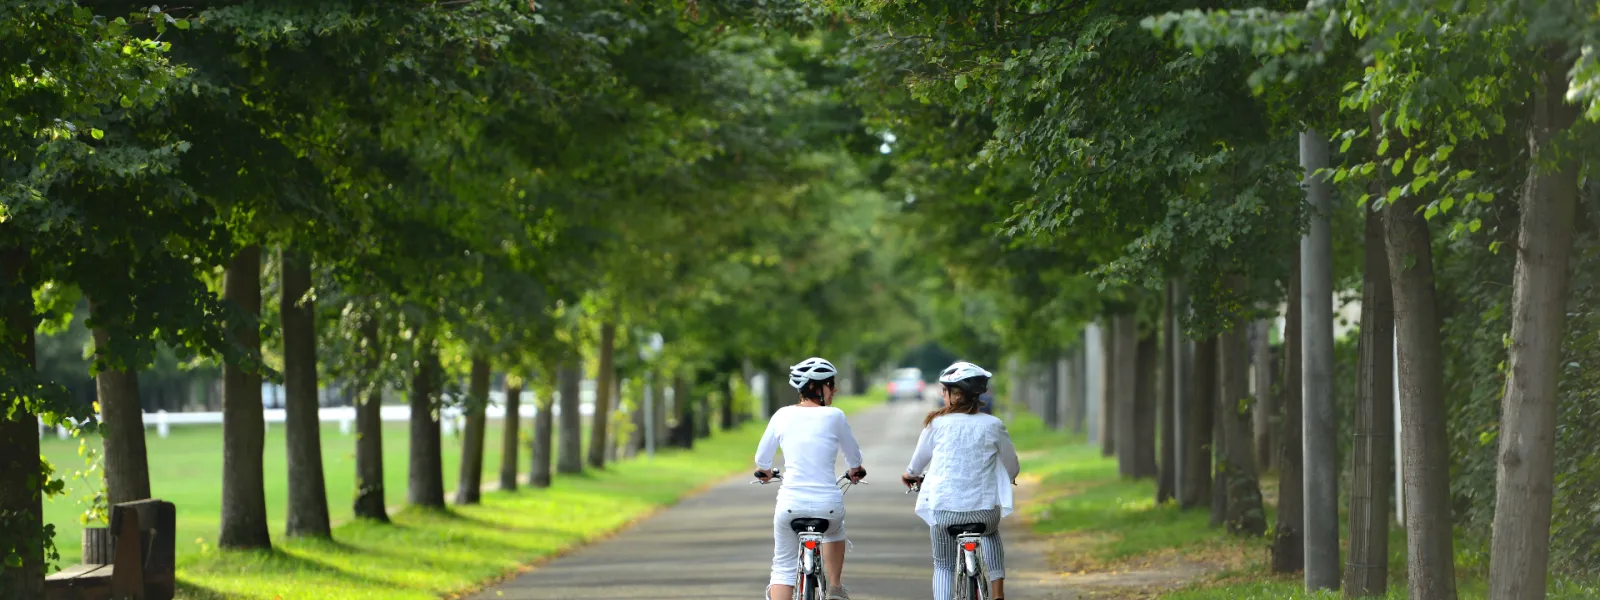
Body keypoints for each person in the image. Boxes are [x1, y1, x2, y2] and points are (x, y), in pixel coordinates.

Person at [901, 361, 1020, 600]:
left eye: (944, 390)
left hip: (946, 514)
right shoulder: (993, 425)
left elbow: (917, 463)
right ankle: (998, 593)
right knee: (990, 534)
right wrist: (1011, 477)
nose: (942, 395)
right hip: (984, 514)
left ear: (954, 395)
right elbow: (1012, 464)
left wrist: (910, 475)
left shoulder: (936, 424)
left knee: (943, 565)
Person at [754, 357, 866, 600]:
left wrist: (765, 472)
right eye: (830, 384)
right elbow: (854, 457)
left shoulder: (782, 415)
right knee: (835, 532)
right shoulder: (835, 416)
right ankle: (835, 587)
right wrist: (855, 469)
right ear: (816, 388)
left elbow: (762, 460)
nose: (834, 389)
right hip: (828, 507)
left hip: (790, 505)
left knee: (783, 568)